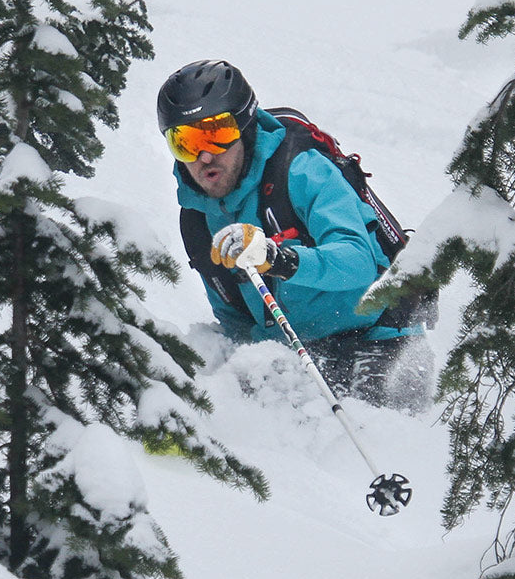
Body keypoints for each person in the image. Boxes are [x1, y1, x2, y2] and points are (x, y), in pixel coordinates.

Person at [156, 59, 432, 410]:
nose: (205, 155)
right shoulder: (197, 220)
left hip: (381, 337)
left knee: (358, 443)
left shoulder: (301, 171)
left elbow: (358, 262)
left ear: (244, 126)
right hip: (299, 355)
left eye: (216, 133)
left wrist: (279, 259)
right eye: (185, 142)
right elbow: (236, 318)